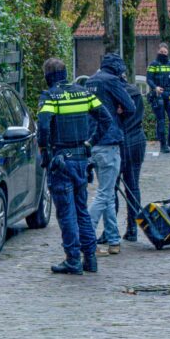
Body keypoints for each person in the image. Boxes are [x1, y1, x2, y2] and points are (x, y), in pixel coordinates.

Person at [37, 58, 114, 275]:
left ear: (47, 76)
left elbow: (43, 127)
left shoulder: (50, 96)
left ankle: (72, 259)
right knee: (81, 210)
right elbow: (106, 119)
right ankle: (90, 258)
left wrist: (45, 150)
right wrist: (91, 142)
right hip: (82, 161)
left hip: (61, 161)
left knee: (66, 213)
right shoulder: (84, 93)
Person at [85, 54, 135, 255]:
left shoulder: (90, 81)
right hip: (109, 142)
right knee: (104, 194)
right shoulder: (112, 81)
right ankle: (86, 238)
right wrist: (119, 110)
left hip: (93, 142)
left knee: (108, 193)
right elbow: (130, 106)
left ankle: (114, 240)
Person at [119, 79, 146, 242]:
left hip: (121, 141)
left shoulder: (114, 93)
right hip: (138, 138)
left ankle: (111, 230)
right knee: (133, 185)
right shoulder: (135, 90)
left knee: (110, 189)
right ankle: (132, 228)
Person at [147, 42, 170, 154]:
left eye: (165, 52)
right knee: (161, 121)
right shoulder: (153, 64)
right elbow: (149, 79)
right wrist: (155, 87)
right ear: (158, 51)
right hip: (158, 95)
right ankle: (163, 144)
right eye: (161, 52)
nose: (163, 54)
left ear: (168, 53)